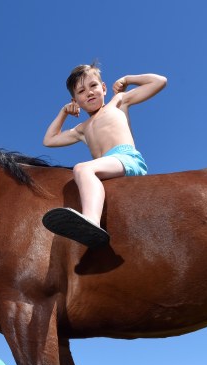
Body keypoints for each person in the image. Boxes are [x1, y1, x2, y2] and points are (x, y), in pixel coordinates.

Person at [42, 62, 167, 248]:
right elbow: (49, 140)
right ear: (75, 101)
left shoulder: (118, 102)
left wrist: (128, 79)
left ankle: (90, 221)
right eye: (81, 91)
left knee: (82, 168)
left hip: (126, 159)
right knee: (85, 174)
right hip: (105, 169)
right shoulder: (81, 129)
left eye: (93, 86)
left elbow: (159, 81)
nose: (90, 92)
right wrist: (63, 113)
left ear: (104, 88)